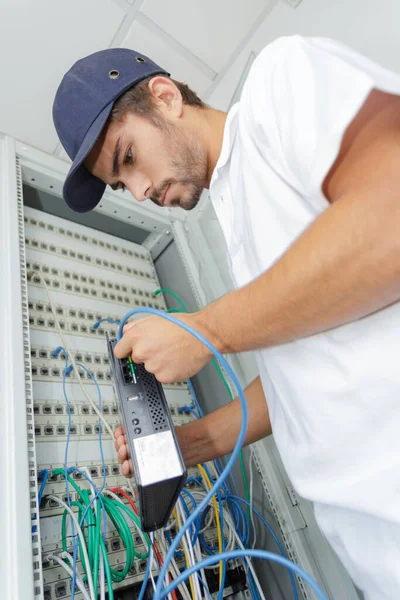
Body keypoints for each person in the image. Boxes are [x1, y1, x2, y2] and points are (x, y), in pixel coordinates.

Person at [53, 35, 400, 599]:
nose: (139, 192)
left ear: (164, 97)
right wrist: (188, 446)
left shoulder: (276, 85)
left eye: (129, 157)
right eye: (122, 185)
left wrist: (206, 330)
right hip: (374, 557)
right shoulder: (233, 213)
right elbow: (303, 373)